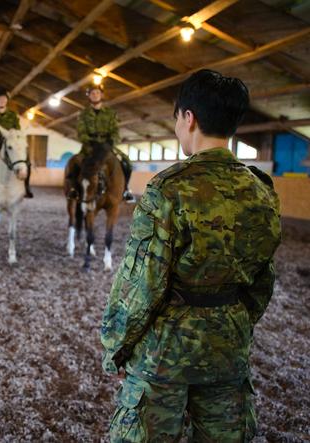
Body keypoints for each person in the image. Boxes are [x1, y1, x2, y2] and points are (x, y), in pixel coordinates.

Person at [101, 69, 281, 442]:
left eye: (177, 119)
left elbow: (141, 287)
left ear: (188, 117)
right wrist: (232, 323)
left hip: (164, 355)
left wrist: (116, 346)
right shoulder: (261, 191)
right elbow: (263, 280)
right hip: (228, 351)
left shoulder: (168, 190)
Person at [69, 83, 135, 203]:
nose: (95, 95)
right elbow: (81, 131)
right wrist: (89, 141)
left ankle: (125, 190)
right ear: (89, 96)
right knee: (75, 162)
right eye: (92, 93)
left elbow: (116, 131)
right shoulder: (83, 114)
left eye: (97, 93)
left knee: (127, 162)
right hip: (89, 146)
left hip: (107, 146)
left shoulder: (110, 113)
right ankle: (74, 189)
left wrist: (111, 141)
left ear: (101, 95)